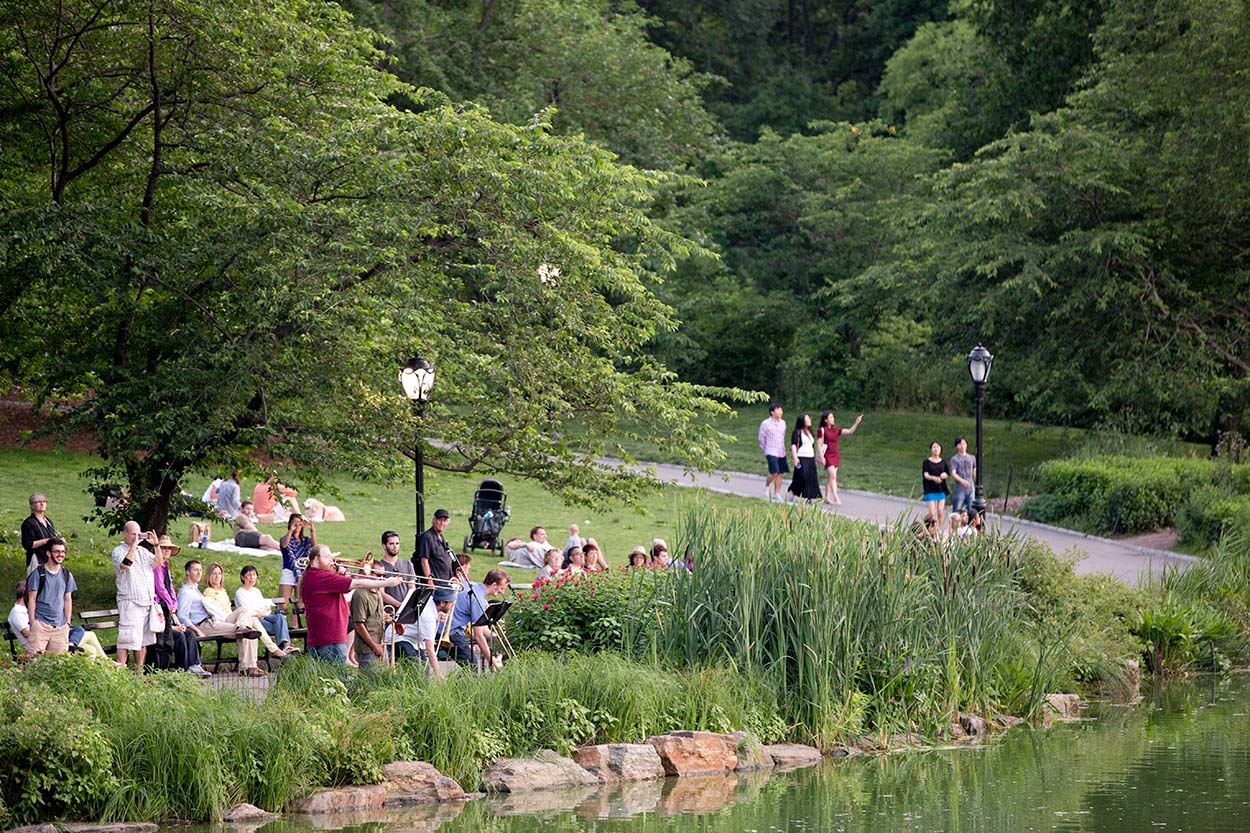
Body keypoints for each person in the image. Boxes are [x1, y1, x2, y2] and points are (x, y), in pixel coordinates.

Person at [299, 544, 400, 664]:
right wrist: (386, 583)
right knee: (337, 680)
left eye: (331, 557)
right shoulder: (322, 576)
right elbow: (358, 584)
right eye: (327, 557)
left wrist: (341, 576)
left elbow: (344, 597)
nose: (332, 561)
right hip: (331, 639)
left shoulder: (312, 576)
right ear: (316, 559)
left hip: (322, 637)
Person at [178, 559, 266, 677]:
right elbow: (182, 616)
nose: (199, 573)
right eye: (195, 570)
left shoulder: (195, 590)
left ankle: (250, 664)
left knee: (246, 617)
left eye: (200, 570)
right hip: (205, 625)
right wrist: (198, 630)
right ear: (188, 572)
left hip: (213, 620)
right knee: (248, 632)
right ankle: (247, 667)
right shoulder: (186, 592)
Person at [152, 536, 211, 677]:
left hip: (168, 612)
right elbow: (160, 588)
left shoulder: (165, 566)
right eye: (163, 548)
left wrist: (174, 608)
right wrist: (171, 605)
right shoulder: (156, 566)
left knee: (188, 634)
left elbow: (170, 588)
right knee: (179, 636)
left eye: (168, 548)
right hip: (158, 611)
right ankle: (182, 669)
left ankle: (193, 665)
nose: (166, 551)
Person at [202, 562, 287, 658]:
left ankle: (277, 648)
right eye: (214, 573)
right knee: (248, 616)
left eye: (219, 573)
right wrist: (259, 613)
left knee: (274, 619)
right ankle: (275, 648)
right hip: (223, 621)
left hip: (237, 618)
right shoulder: (208, 592)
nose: (217, 576)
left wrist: (262, 611)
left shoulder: (223, 591)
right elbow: (216, 613)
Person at [111, 521, 159, 669]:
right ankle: (121, 669)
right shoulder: (118, 551)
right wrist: (133, 546)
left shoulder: (143, 551)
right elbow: (125, 564)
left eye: (139, 533)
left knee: (142, 641)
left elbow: (158, 563)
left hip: (146, 602)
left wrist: (156, 545)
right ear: (125, 534)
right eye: (133, 534)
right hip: (130, 601)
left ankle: (138, 671)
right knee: (126, 639)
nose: (137, 537)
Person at [416, 509, 458, 678]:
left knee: (440, 614)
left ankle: (436, 642)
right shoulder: (428, 537)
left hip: (444, 583)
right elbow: (424, 559)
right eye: (440, 520)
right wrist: (429, 580)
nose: (442, 523)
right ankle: (431, 648)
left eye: (445, 520)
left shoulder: (441, 539)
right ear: (434, 520)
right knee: (432, 614)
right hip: (436, 584)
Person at [447, 568, 510, 670]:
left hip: (443, 627)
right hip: (452, 632)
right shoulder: (478, 599)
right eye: (502, 588)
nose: (503, 592)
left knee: (471, 666)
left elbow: (480, 625)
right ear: (494, 585)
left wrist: (495, 636)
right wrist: (492, 661)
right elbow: (478, 636)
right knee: (473, 667)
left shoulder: (471, 585)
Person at [24, 537, 75, 655]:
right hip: (40, 626)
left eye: (63, 552)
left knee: (58, 666)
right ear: (48, 553)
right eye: (56, 551)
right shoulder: (38, 574)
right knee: (34, 664)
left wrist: (67, 624)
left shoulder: (67, 575)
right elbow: (32, 600)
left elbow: (68, 599)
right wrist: (33, 624)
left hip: (60, 628)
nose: (60, 555)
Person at [235, 565, 298, 653]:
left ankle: (285, 645)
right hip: (253, 621)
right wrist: (262, 612)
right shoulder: (240, 593)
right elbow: (248, 612)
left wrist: (264, 611)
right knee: (278, 626)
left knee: (280, 617)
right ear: (242, 577)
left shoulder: (256, 591)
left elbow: (264, 607)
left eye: (254, 575)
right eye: (249, 575)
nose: (252, 577)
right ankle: (284, 646)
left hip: (264, 617)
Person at [817, 411, 862, 506]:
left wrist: (856, 423)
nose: (833, 419)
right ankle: (836, 497)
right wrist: (821, 457)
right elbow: (819, 445)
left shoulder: (836, 430)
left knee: (831, 477)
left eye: (833, 417)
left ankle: (826, 497)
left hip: (835, 455)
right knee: (833, 476)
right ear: (826, 420)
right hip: (827, 455)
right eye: (831, 417)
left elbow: (850, 431)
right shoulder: (822, 430)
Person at [350, 561, 387, 668]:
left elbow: (379, 615)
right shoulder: (361, 594)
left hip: (379, 644)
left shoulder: (377, 592)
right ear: (369, 574)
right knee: (369, 681)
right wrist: (374, 646)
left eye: (384, 575)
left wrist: (392, 619)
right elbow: (358, 624)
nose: (382, 578)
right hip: (367, 648)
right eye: (379, 575)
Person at [278, 514, 315, 608]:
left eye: (299, 524)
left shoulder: (305, 540)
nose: (297, 527)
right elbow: (284, 545)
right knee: (283, 603)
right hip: (288, 571)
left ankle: (295, 623)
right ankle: (281, 621)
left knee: (299, 603)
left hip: (301, 572)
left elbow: (314, 545)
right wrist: (291, 530)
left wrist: (312, 530)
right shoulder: (285, 538)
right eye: (295, 524)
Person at [787, 413, 822, 503]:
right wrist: (795, 457)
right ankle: (792, 491)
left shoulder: (809, 432)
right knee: (801, 476)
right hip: (801, 457)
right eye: (807, 419)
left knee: (810, 477)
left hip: (810, 457)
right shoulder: (797, 432)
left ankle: (808, 496)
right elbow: (794, 445)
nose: (809, 420)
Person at [378, 530, 416, 609]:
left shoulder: (407, 564)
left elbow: (412, 587)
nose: (395, 546)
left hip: (406, 611)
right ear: (384, 546)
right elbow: (381, 592)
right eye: (391, 544)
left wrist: (407, 605)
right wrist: (399, 604)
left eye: (397, 543)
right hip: (388, 611)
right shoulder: (379, 566)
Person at [758, 403, 789, 502]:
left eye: (781, 410)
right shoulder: (766, 423)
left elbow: (783, 436)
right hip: (771, 450)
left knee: (780, 473)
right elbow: (761, 438)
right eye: (778, 410)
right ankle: (767, 487)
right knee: (774, 472)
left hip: (781, 450)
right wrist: (765, 448)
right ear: (772, 412)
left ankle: (777, 493)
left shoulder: (783, 423)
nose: (780, 412)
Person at [21, 493, 58, 574]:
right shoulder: (29, 522)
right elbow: (27, 545)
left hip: (49, 558)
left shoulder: (48, 521)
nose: (42, 504)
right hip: (36, 558)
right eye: (38, 501)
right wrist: (46, 541)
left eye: (44, 501)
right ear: (31, 506)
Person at [922, 441, 949, 523]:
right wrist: (934, 478)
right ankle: (924, 524)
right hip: (930, 489)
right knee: (932, 513)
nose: (936, 449)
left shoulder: (943, 462)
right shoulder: (926, 462)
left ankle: (939, 530)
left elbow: (947, 473)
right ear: (931, 449)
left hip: (941, 489)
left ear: (940, 449)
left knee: (940, 511)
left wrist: (944, 475)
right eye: (934, 447)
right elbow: (925, 475)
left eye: (938, 447)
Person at [949, 437, 977, 517]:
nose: (962, 446)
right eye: (960, 444)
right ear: (956, 446)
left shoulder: (972, 457)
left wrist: (975, 481)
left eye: (964, 443)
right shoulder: (954, 459)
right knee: (956, 510)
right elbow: (953, 473)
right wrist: (962, 481)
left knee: (971, 510)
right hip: (960, 488)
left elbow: (974, 470)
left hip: (970, 487)